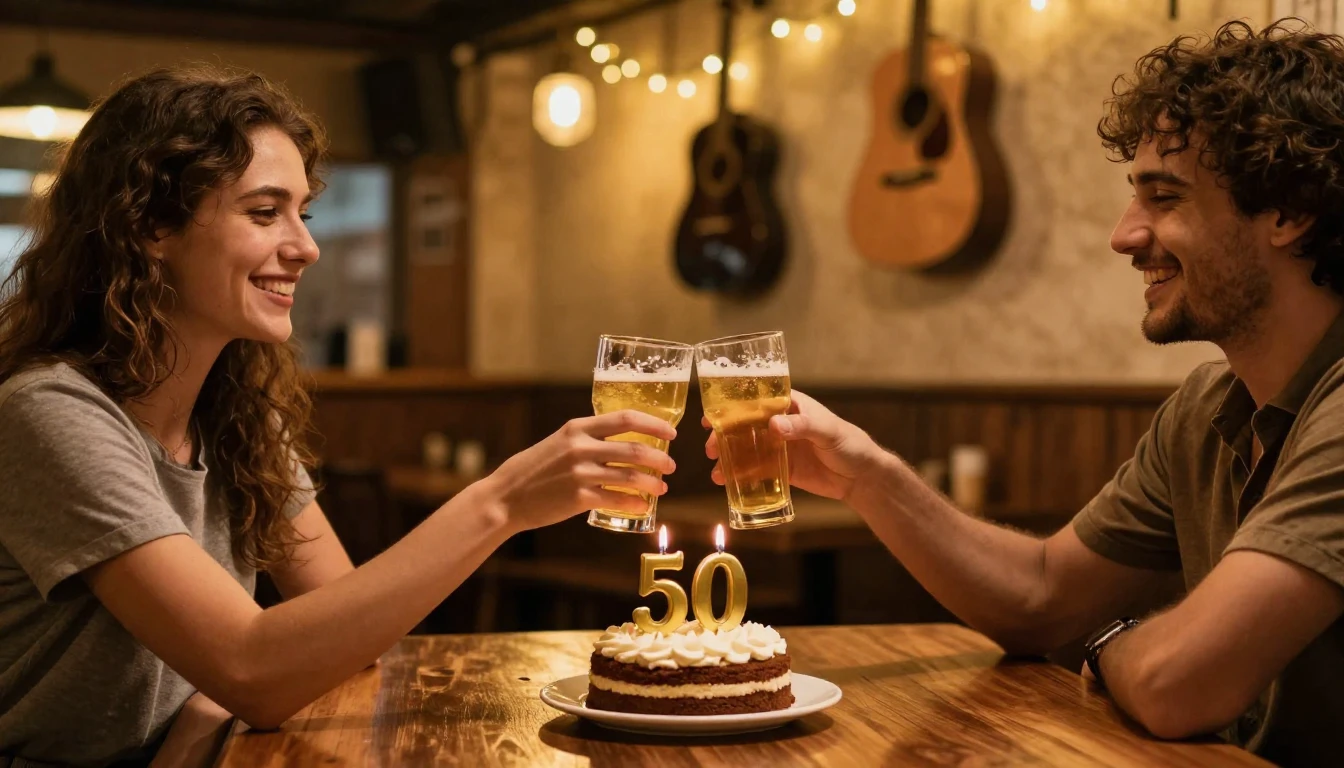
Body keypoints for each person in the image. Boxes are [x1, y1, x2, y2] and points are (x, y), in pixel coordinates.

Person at [0, 66, 676, 767]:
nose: (307, 247)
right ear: (150, 225)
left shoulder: (234, 411)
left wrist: (207, 705)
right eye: (265, 213)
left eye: (303, 213)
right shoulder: (51, 411)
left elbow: (348, 632)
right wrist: (500, 503)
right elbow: (250, 668)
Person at [709, 21, 1344, 766]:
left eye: (1163, 197)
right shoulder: (1208, 408)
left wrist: (1109, 647)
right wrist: (864, 475)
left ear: (1288, 213)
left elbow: (1178, 685)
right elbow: (1044, 597)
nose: (1122, 235)